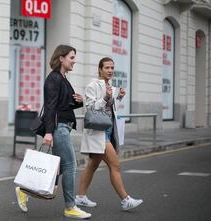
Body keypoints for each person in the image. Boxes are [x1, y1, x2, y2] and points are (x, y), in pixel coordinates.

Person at [15, 45, 91, 219]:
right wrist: (49, 132)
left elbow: (65, 105)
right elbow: (50, 107)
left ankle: (24, 189)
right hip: (59, 128)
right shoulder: (54, 79)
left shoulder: (63, 79)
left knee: (58, 167)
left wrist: (80, 101)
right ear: (61, 58)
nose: (74, 60)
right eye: (72, 57)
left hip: (64, 126)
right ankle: (70, 207)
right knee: (70, 166)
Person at [75, 57, 143, 211]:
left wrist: (118, 97)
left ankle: (80, 196)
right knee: (115, 165)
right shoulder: (93, 85)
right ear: (100, 69)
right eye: (107, 67)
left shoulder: (109, 85)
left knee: (92, 165)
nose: (110, 70)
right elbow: (90, 108)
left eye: (112, 67)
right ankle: (125, 200)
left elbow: (110, 109)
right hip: (99, 131)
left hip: (109, 129)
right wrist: (106, 97)